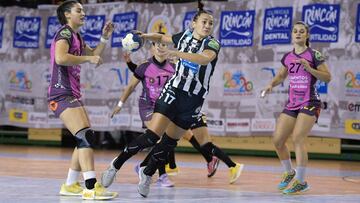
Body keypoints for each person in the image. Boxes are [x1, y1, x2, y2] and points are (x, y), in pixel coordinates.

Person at [119, 1, 242, 197]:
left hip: (194, 101)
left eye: (211, 23)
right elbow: (163, 38)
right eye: (204, 21)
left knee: (197, 140)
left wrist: (177, 53)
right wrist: (144, 35)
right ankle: (153, 170)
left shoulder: (211, 43)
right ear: (194, 23)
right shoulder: (179, 41)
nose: (208, 25)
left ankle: (228, 165)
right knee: (164, 137)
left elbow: (204, 58)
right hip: (173, 98)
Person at [47, 0, 117, 200]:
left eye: (84, 10)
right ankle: (90, 186)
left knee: (83, 136)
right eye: (79, 10)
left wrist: (104, 37)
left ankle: (70, 185)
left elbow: (94, 54)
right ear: (68, 14)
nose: (83, 13)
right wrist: (88, 59)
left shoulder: (76, 35)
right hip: (61, 93)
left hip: (71, 93)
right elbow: (61, 58)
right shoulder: (65, 33)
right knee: (85, 136)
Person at [261, 21, 331, 195]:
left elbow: (327, 77)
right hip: (293, 102)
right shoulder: (288, 57)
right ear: (292, 35)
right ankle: (289, 172)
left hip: (310, 101)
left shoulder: (314, 55)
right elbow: (281, 75)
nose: (298, 33)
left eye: (302, 31)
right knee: (277, 140)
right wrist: (271, 84)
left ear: (307, 36)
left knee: (298, 137)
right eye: (295, 31)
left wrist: (309, 68)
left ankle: (301, 181)